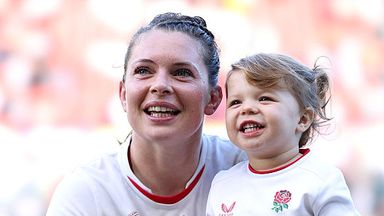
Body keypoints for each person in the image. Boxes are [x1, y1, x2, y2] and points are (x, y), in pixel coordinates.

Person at [46, 12, 245, 215]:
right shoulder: (86, 193)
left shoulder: (245, 169)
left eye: (182, 73)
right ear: (123, 94)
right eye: (143, 70)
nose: (160, 85)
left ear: (213, 99)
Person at [206, 53, 360, 215]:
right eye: (236, 102)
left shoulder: (321, 179)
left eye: (264, 98)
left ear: (302, 119)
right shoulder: (222, 183)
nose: (246, 108)